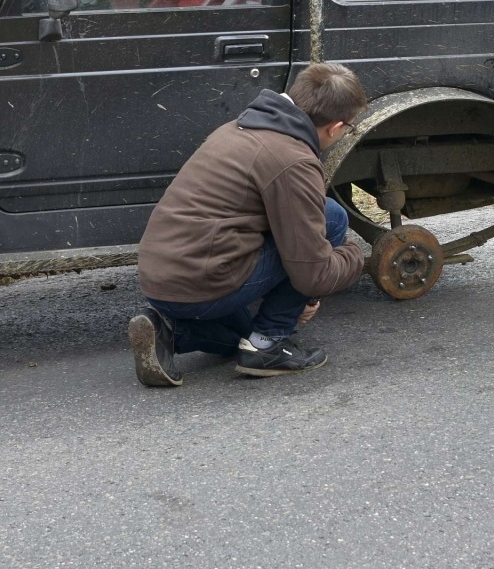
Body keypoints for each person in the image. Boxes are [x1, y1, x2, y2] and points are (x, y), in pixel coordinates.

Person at [129, 62, 369, 385]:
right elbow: (313, 273)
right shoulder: (294, 160)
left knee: (240, 335)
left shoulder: (237, 128)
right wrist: (355, 256)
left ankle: (168, 331)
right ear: (336, 127)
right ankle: (268, 344)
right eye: (349, 128)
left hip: (160, 277)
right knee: (332, 217)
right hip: (205, 278)